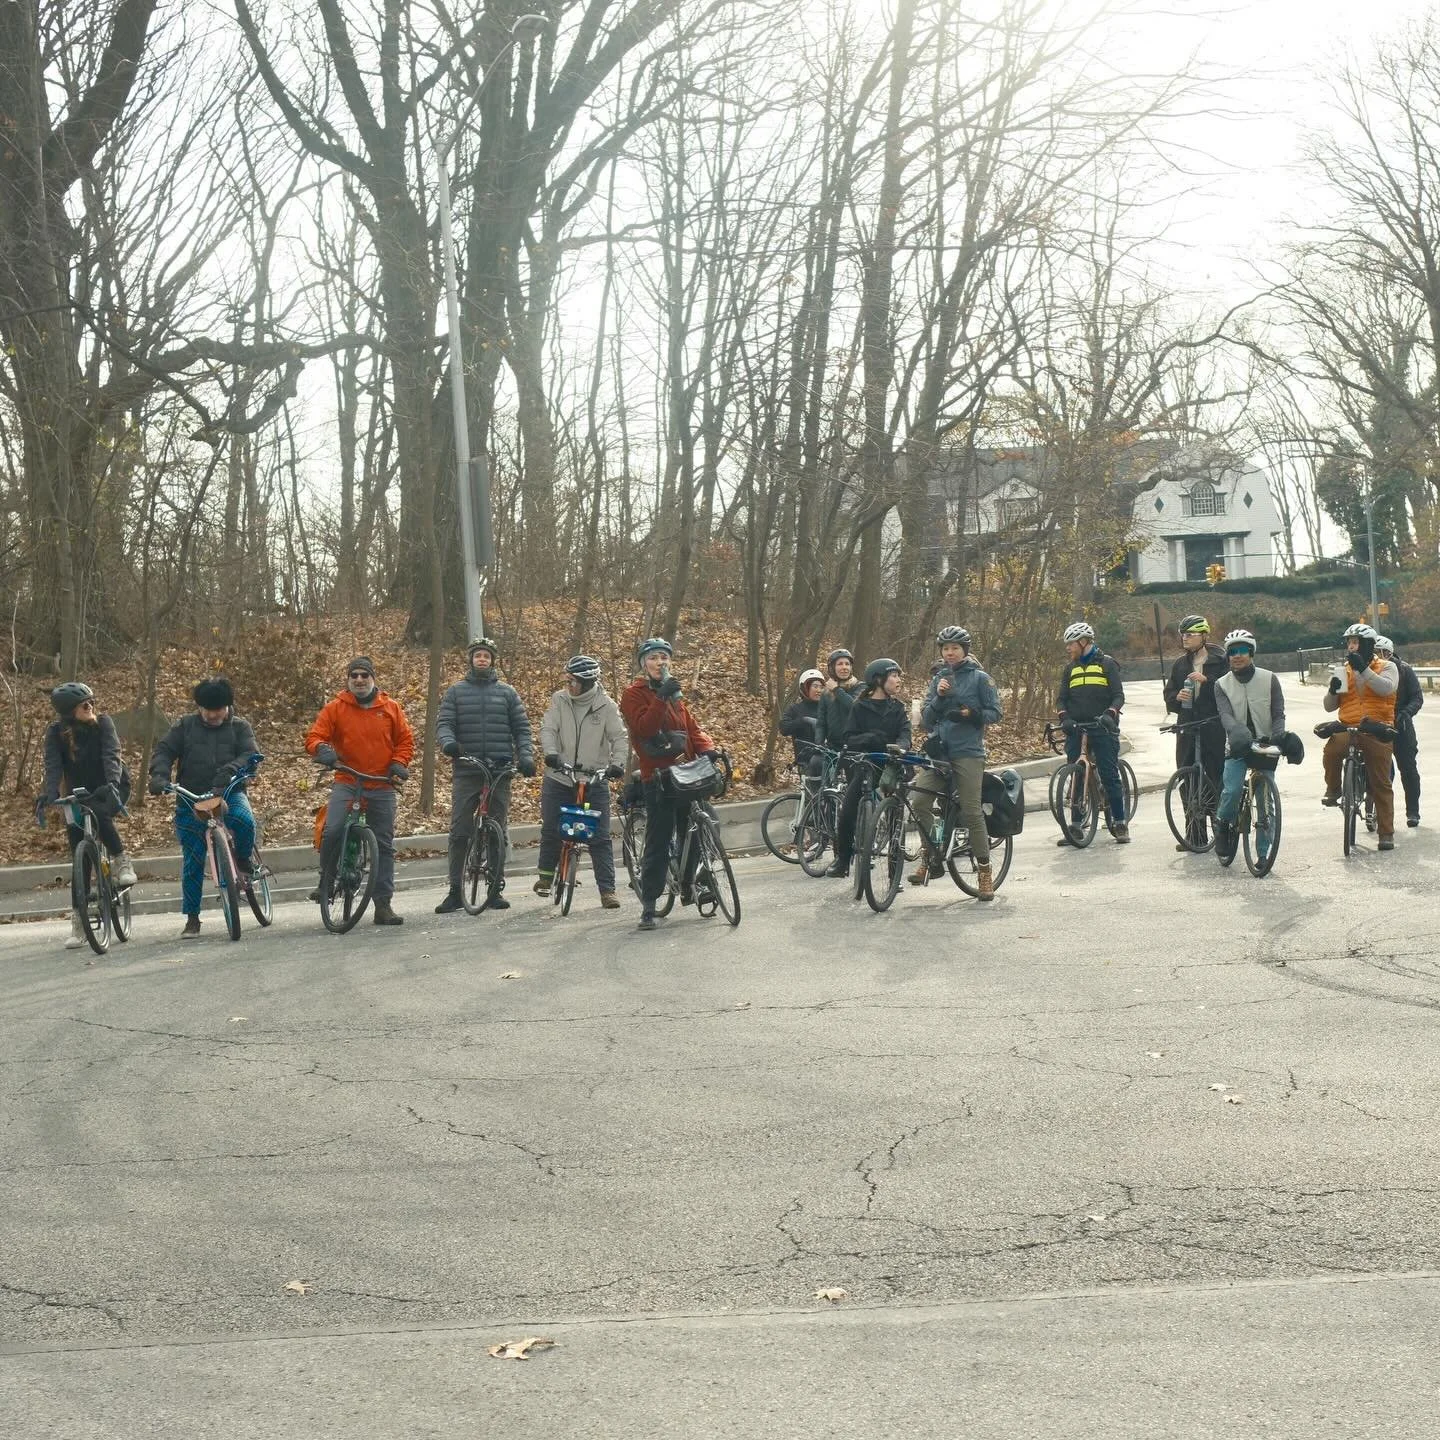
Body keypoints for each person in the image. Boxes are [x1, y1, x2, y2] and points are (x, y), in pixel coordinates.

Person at [148, 676, 260, 939]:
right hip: (191, 797)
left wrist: (231, 770)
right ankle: (192, 917)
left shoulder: (240, 727)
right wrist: (159, 776)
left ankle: (243, 860)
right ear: (198, 707)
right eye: (207, 709)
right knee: (193, 859)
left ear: (228, 706)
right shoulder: (184, 726)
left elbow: (250, 755)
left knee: (244, 821)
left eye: (218, 709)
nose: (212, 715)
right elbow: (164, 751)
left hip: (228, 792)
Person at [305, 657, 414, 926]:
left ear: (373, 678)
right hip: (348, 780)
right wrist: (323, 751)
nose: (359, 680)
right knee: (333, 829)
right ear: (348, 679)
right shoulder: (335, 708)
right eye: (354, 675)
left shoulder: (391, 708)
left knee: (384, 844)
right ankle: (327, 881)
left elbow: (405, 740)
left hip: (382, 783)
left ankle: (383, 905)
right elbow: (314, 737)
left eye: (364, 675)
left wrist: (399, 763)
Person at [620, 638, 719, 931]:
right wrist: (660, 698)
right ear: (643, 663)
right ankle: (649, 906)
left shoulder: (675, 695)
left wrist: (708, 747)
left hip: (687, 774)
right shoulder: (633, 694)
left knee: (703, 826)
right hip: (659, 778)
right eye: (653, 658)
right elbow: (645, 728)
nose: (659, 662)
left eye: (664, 657)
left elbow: (691, 727)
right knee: (659, 840)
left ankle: (689, 884)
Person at [434, 638, 535, 915]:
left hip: (500, 769)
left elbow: (522, 729)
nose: (481, 659)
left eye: (486, 656)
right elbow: (444, 724)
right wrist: (448, 744)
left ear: (492, 660)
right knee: (459, 832)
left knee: (497, 830)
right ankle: (455, 891)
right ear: (471, 660)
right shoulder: (456, 692)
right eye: (477, 655)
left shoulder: (507, 693)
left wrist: (525, 756)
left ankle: (494, 890)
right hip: (468, 768)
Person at [910, 627, 1002, 900]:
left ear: (965, 650)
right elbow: (925, 719)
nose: (949, 653)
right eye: (945, 648)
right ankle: (930, 855)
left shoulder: (980, 679)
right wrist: (938, 697)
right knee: (919, 801)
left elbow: (996, 712)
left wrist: (970, 715)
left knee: (972, 811)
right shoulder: (938, 678)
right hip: (939, 753)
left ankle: (984, 872)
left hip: (968, 753)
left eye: (955, 648)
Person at [42, 683, 136, 950]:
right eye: (85, 705)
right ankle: (79, 921)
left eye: (92, 702)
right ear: (70, 712)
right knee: (78, 855)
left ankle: (120, 860)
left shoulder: (103, 724)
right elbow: (52, 766)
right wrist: (49, 794)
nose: (91, 707)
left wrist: (113, 783)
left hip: (112, 786)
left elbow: (112, 755)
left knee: (98, 812)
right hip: (78, 794)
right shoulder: (56, 733)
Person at [535, 655, 629, 908]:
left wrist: (617, 765)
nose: (569, 685)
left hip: (593, 778)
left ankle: (607, 891)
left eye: (574, 681)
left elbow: (619, 738)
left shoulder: (606, 706)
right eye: (567, 679)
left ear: (588, 682)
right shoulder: (560, 699)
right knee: (553, 826)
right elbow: (549, 728)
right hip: (560, 775)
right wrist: (551, 753)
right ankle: (545, 877)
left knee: (599, 836)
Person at [825, 658, 912, 879]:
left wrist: (900, 747)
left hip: (893, 764)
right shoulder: (860, 707)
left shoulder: (898, 708)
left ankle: (894, 872)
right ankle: (843, 860)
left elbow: (905, 735)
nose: (898, 680)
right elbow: (849, 737)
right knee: (847, 811)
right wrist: (871, 738)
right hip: (869, 765)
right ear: (879, 680)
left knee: (895, 813)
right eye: (894, 676)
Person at [1211, 629, 1288, 862]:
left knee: (1265, 802)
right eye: (1232, 652)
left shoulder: (1269, 678)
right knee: (1232, 790)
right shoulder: (1221, 684)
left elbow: (1278, 713)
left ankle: (1263, 853)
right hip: (1236, 745)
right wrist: (1235, 731)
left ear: (1251, 652)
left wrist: (1280, 736)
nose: (1237, 655)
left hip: (1264, 745)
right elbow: (1224, 714)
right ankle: (1223, 824)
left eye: (1242, 650)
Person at [1321, 622, 1398, 849]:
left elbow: (1386, 689)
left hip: (1377, 727)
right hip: (1349, 726)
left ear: (1367, 645)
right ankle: (1334, 788)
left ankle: (1386, 833)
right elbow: (1329, 706)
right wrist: (1333, 690)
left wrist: (1363, 670)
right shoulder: (1343, 670)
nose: (1351, 646)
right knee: (1332, 750)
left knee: (1381, 782)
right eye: (1349, 642)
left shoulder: (1386, 667)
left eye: (1355, 642)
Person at [1055, 622, 1129, 843]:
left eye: (1071, 644)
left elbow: (1118, 696)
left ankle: (1120, 823)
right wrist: (1064, 718)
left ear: (1084, 642)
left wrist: (1110, 713)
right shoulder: (1070, 668)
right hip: (1077, 729)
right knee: (1077, 775)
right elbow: (1061, 698)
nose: (1068, 648)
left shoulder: (1107, 664)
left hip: (1103, 727)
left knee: (1109, 774)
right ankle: (1076, 827)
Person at [1163, 615, 1227, 848]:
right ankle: (1195, 834)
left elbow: (1229, 688)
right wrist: (1176, 698)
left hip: (1213, 724)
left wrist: (1207, 680)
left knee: (1216, 775)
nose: (1185, 638)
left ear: (1203, 635)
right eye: (1183, 634)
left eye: (1190, 634)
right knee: (1187, 778)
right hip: (1187, 725)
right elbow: (1169, 694)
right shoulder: (1180, 664)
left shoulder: (1221, 659)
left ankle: (1221, 830)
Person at [1375, 635, 1422, 826]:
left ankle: (1413, 812)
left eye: (1378, 652)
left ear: (1388, 652)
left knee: (1408, 769)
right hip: (1378, 725)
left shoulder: (1404, 670)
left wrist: (1405, 713)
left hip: (1401, 726)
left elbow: (1417, 698)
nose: (1376, 656)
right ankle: (1381, 813)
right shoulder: (1370, 670)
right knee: (1381, 771)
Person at [780, 669, 826, 798]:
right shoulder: (795, 709)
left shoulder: (827, 708)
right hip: (805, 761)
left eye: (821, 687)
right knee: (810, 799)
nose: (818, 690)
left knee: (826, 797)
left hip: (826, 759)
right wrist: (804, 721)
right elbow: (784, 728)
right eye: (815, 686)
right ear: (805, 688)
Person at [818, 648, 863, 751]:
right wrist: (819, 745)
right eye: (840, 664)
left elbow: (855, 707)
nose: (844, 667)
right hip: (832, 747)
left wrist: (836, 690)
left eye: (847, 664)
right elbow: (821, 723)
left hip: (855, 748)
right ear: (832, 668)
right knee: (815, 762)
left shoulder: (860, 687)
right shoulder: (826, 693)